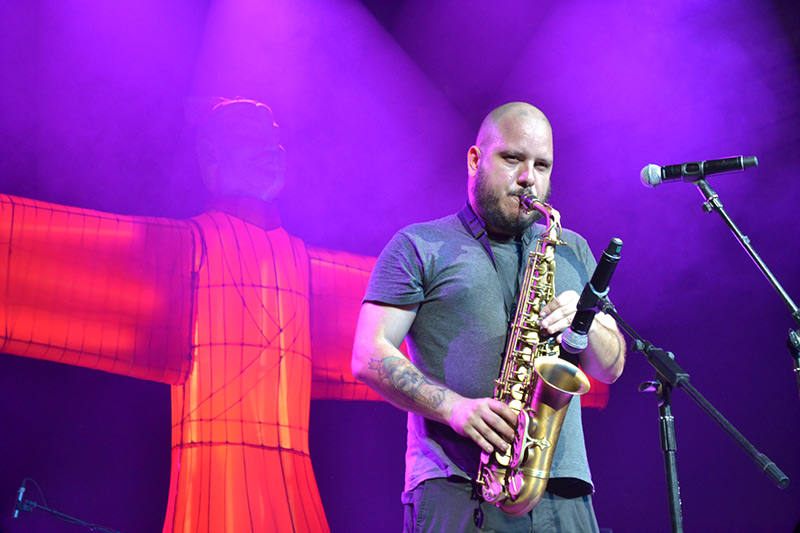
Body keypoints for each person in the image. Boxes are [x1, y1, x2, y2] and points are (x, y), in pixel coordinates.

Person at [0, 98, 377, 532]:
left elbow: (413, 330)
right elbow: (38, 254)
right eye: (254, 136)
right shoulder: (187, 249)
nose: (274, 149)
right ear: (211, 156)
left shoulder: (308, 268)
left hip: (293, 499)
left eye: (276, 138)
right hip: (208, 497)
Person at [352, 101, 626, 532]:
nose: (528, 179)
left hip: (564, 492)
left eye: (542, 165)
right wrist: (455, 408)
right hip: (459, 486)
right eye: (513, 158)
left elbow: (610, 369)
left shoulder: (571, 247)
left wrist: (585, 319)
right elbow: (368, 354)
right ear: (476, 160)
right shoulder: (418, 244)